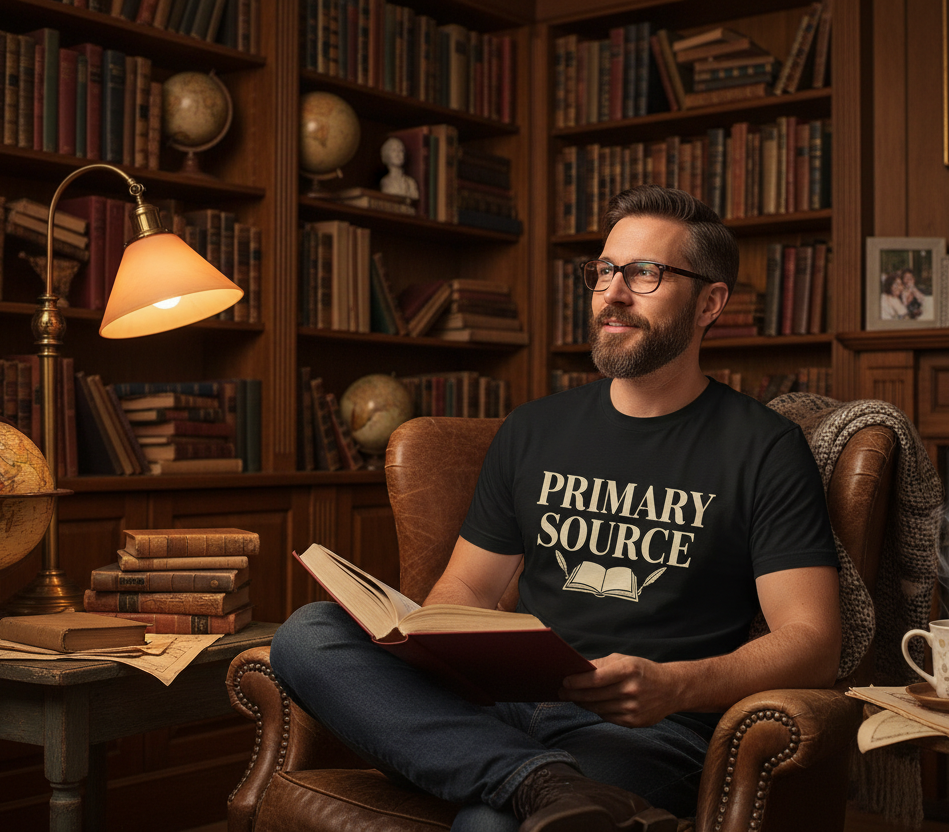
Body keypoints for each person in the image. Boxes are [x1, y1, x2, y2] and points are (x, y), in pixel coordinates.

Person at [269, 185, 842, 832]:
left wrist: (673, 687)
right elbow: (467, 585)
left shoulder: (764, 448)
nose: (613, 294)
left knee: (488, 825)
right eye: (604, 270)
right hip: (506, 706)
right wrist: (431, 641)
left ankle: (517, 785)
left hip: (647, 728)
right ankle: (540, 783)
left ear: (710, 303)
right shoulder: (534, 430)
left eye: (645, 273)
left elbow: (814, 642)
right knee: (308, 633)